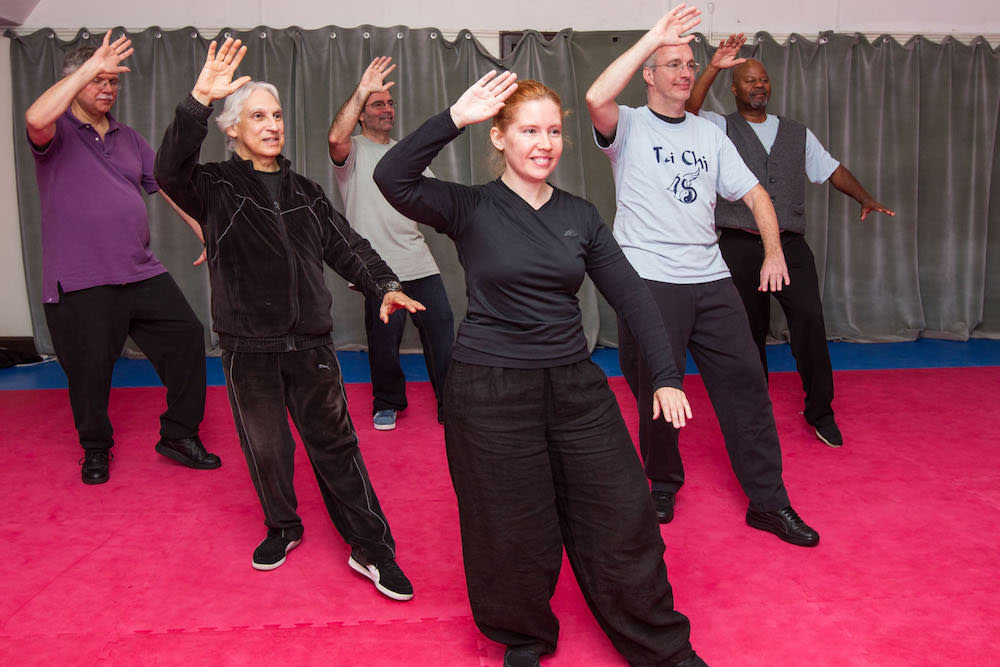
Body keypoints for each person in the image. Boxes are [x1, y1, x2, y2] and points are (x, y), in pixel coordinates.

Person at [374, 65, 707, 665]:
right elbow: (390, 176)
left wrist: (664, 375)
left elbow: (632, 297)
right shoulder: (468, 205)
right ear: (499, 136)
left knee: (622, 515)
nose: (544, 144)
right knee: (508, 526)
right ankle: (524, 637)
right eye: (529, 131)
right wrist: (453, 118)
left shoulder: (579, 215)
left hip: (575, 384)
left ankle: (661, 646)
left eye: (553, 132)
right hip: (488, 388)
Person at [154, 38, 417, 599]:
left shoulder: (306, 192)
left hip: (311, 346)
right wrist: (198, 98)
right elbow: (168, 169)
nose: (272, 125)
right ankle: (283, 526)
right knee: (268, 448)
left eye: (276, 115)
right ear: (232, 128)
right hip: (248, 347)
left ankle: (372, 550)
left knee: (337, 447)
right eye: (257, 116)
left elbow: (348, 246)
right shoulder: (214, 188)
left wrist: (385, 284)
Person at [585, 4, 819, 547]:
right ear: (649, 73)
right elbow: (596, 98)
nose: (685, 71)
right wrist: (654, 37)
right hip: (648, 280)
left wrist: (773, 252)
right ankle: (663, 482)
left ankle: (770, 501)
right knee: (657, 393)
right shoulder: (629, 127)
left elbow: (757, 193)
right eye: (672, 63)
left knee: (747, 389)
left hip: (711, 279)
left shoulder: (711, 134)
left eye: (689, 63)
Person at [24, 30, 220, 485]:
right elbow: (35, 116)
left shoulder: (127, 137)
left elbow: (165, 185)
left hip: (139, 270)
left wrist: (202, 229)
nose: (108, 89)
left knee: (188, 337)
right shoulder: (56, 132)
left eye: (114, 82)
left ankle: (178, 434)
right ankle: (95, 448)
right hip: (81, 279)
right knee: (90, 373)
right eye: (99, 80)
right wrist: (88, 67)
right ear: (76, 82)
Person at [685, 35, 896, 448]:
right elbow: (690, 108)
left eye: (763, 80)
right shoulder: (717, 126)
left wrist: (865, 197)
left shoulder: (796, 132)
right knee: (748, 330)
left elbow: (832, 170)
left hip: (790, 245)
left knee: (810, 324)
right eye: (749, 80)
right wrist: (712, 67)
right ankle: (753, 410)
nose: (759, 86)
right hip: (738, 243)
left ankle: (820, 411)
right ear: (735, 87)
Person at [328, 57, 455, 430]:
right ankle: (387, 402)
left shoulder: (406, 154)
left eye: (389, 103)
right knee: (384, 339)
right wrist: (361, 90)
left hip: (417, 257)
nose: (386, 110)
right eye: (376, 104)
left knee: (442, 331)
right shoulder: (350, 151)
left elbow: (434, 201)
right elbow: (335, 137)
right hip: (376, 265)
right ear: (362, 115)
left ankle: (451, 404)